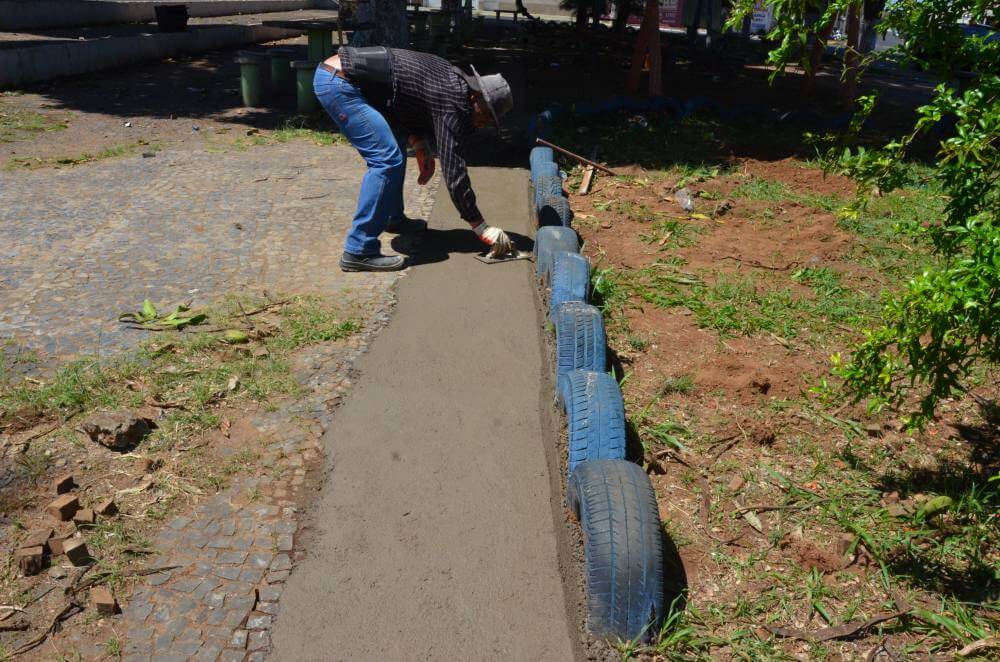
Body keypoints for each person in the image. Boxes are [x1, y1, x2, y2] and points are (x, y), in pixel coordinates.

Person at [313, 46, 515, 272]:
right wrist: (479, 226)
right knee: (386, 159)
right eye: (487, 115)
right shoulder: (453, 101)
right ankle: (359, 250)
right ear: (476, 96)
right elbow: (453, 170)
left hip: (346, 78)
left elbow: (403, 103)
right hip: (340, 83)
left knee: (394, 150)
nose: (484, 123)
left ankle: (393, 218)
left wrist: (419, 144)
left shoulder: (452, 80)